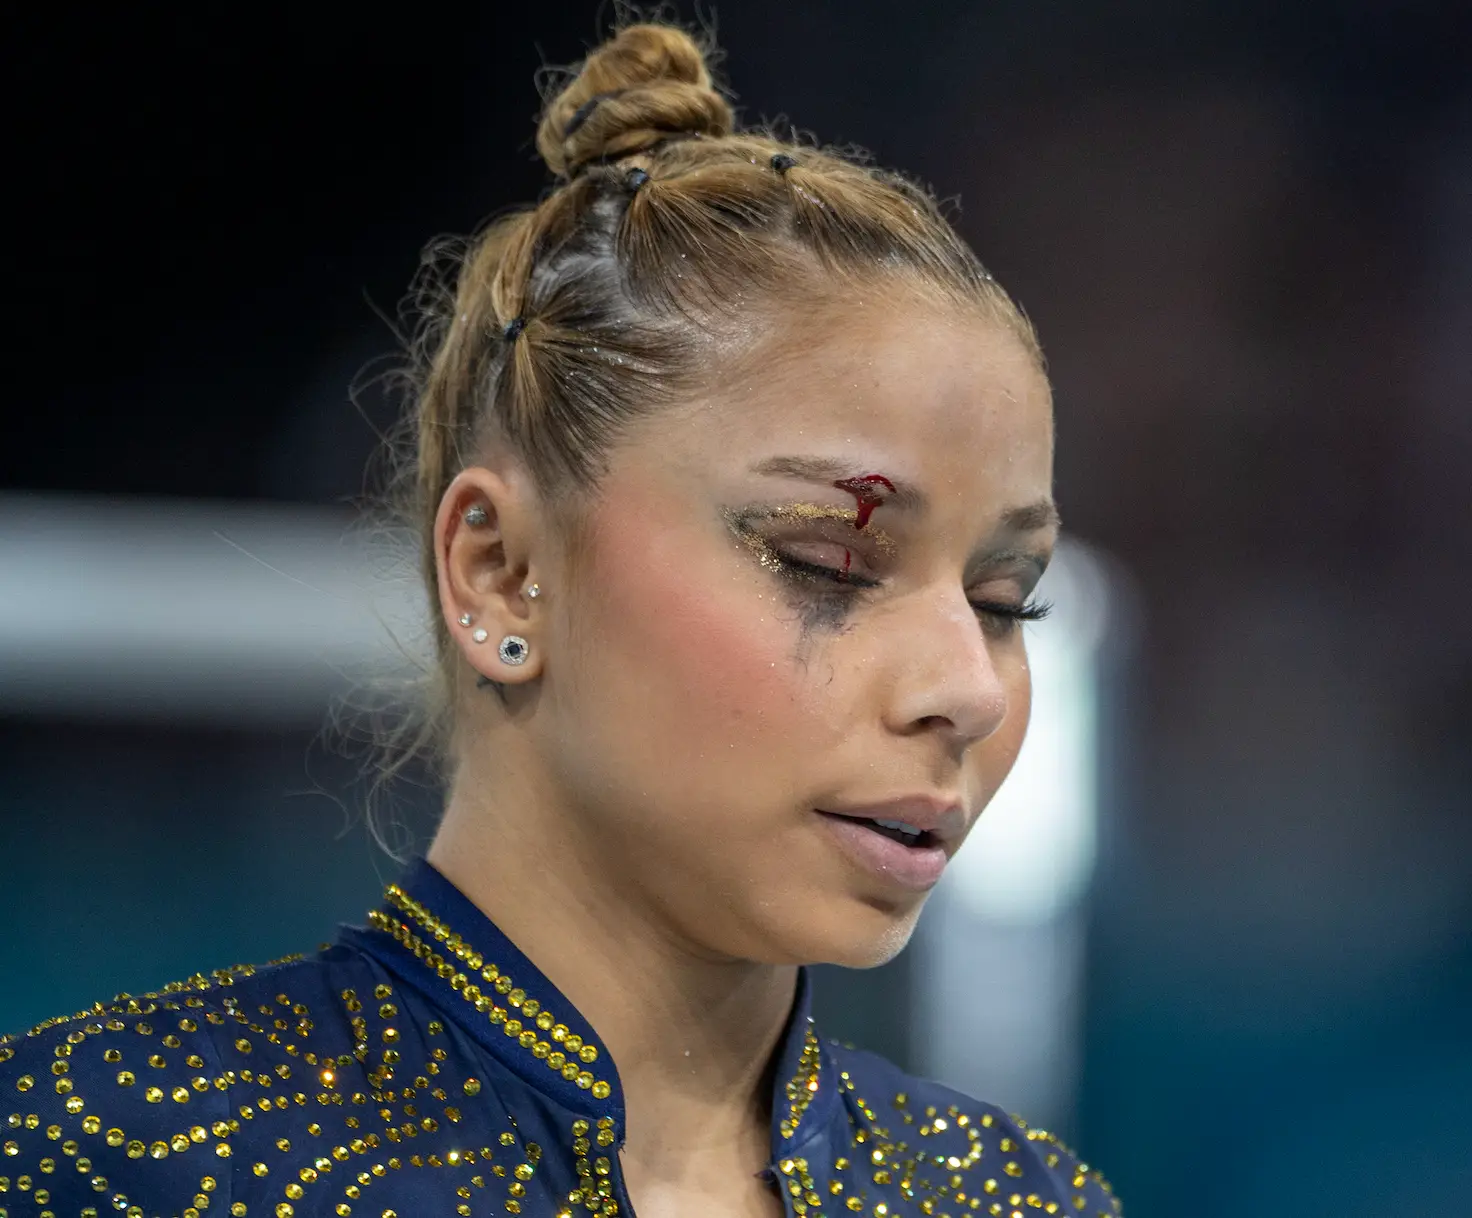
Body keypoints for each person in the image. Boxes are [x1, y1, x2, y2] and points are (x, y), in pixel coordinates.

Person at [0, 19, 1121, 1218]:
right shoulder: (108, 1157)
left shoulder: (1016, 1201)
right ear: (496, 572)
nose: (972, 685)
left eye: (1005, 600)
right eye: (826, 566)